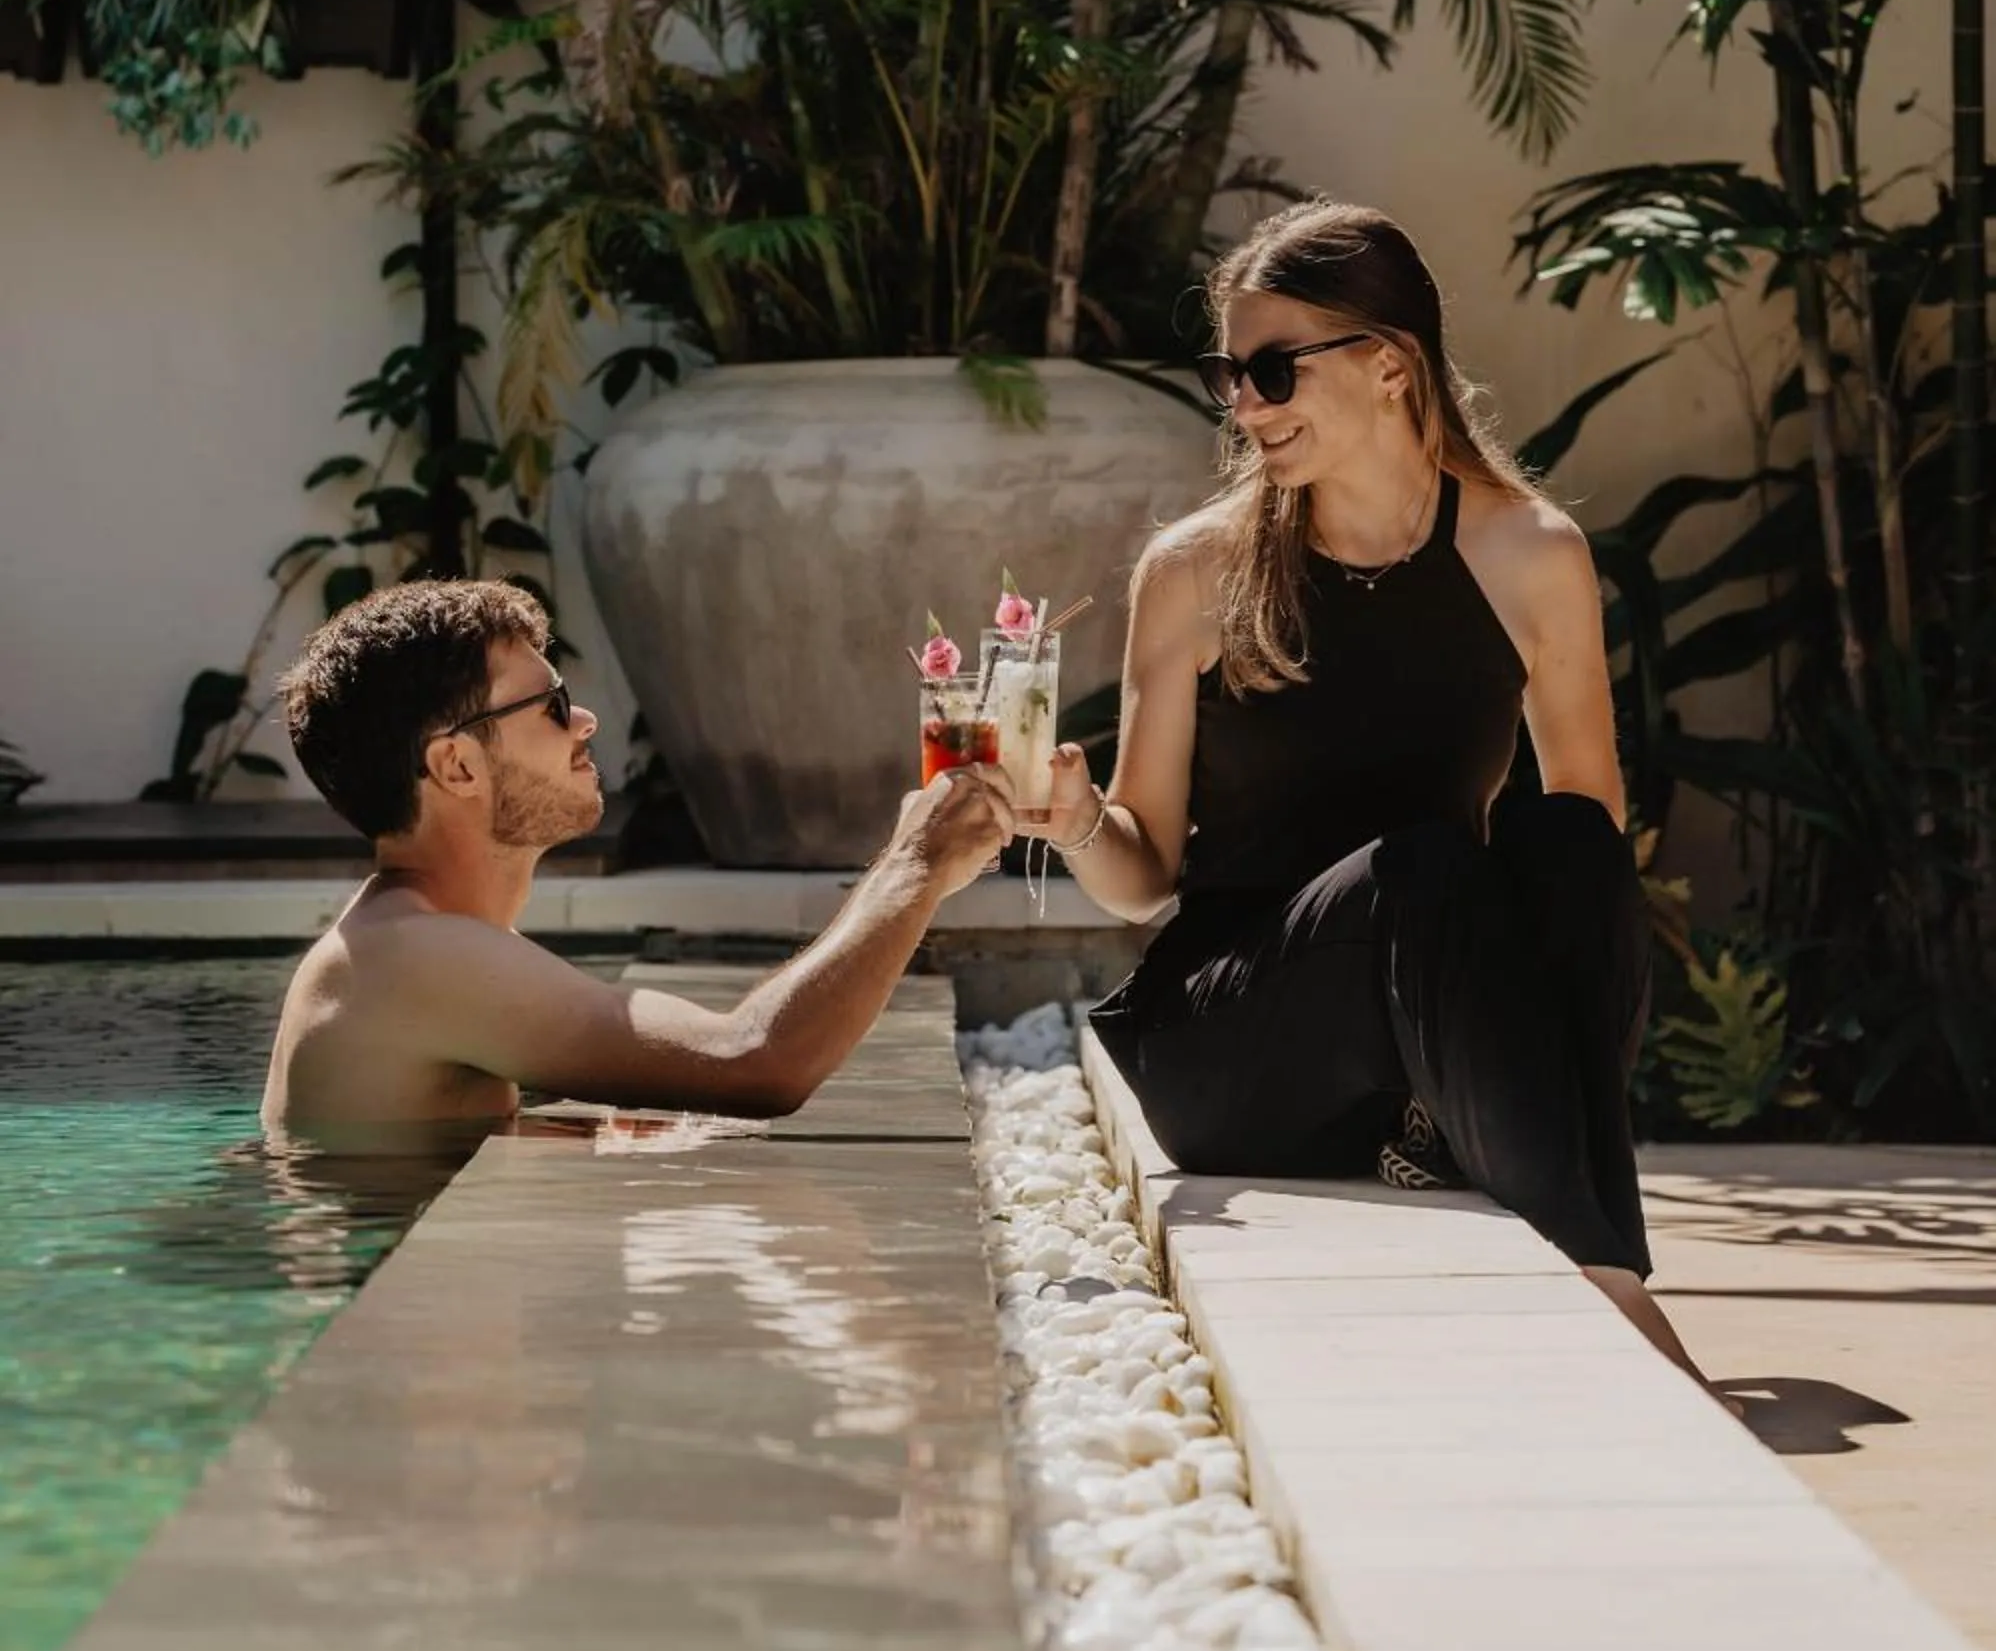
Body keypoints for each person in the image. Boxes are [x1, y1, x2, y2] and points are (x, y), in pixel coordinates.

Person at [1041, 196, 1713, 1392]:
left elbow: (1585, 857)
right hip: (1232, 1044)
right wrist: (1074, 819)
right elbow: (1142, 876)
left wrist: (1501, 1017)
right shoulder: (1196, 569)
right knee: (1421, 866)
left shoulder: (1531, 554)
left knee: (1571, 842)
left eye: (1269, 369)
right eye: (1226, 375)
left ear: (1392, 367)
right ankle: (1607, 1285)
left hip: (1425, 1027)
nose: (1243, 405)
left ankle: (1523, 1188)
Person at [263, 578, 1013, 1152]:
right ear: (457, 765)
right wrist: (917, 863)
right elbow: (756, 1062)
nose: (584, 721)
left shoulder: (407, 942)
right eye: (553, 706)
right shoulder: (416, 956)